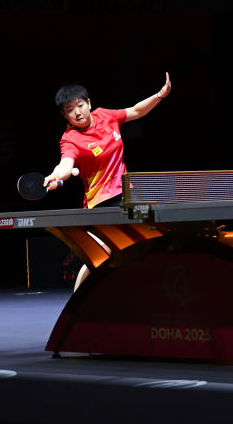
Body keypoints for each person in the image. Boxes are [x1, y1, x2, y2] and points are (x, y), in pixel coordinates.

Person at [42, 73, 171, 287]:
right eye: (70, 110)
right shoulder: (70, 139)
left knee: (152, 237)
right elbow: (65, 165)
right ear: (64, 115)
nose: (77, 112)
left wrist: (160, 95)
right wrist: (56, 175)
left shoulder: (105, 116)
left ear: (89, 103)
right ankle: (78, 299)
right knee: (103, 251)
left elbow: (136, 111)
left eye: (80, 105)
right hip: (101, 202)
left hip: (127, 195)